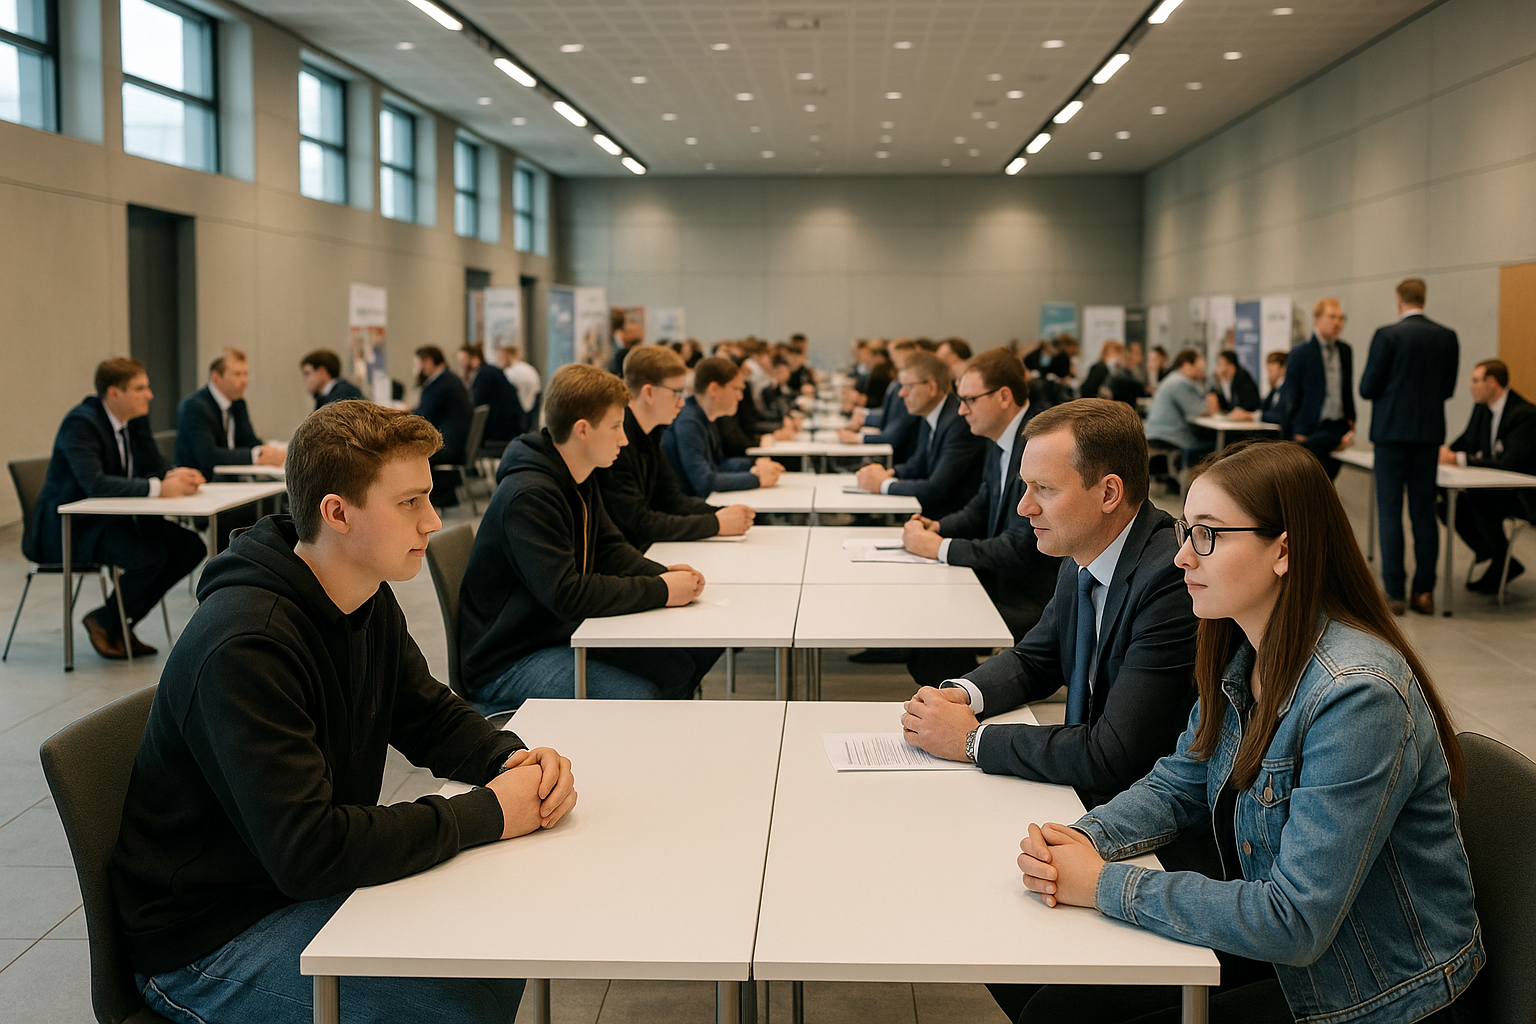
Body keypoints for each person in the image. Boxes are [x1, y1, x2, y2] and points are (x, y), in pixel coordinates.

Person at [109, 400, 575, 1024]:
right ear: (337, 512)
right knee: (457, 1004)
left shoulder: (361, 593)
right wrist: (491, 810)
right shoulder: (247, 645)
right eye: (410, 502)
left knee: (496, 952)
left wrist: (509, 759)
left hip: (291, 885)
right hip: (209, 939)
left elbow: (426, 713)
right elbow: (312, 851)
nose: (433, 521)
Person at [1013, 440, 1481, 1024]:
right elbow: (1179, 783)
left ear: (1283, 551)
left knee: (1059, 1015)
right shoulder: (1242, 651)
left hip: (1370, 993)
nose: (1182, 556)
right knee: (1049, 997)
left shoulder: (1358, 695)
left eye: (1207, 534)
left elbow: (1295, 920)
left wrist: (1105, 883)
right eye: (1185, 530)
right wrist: (1083, 840)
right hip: (1295, 952)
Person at [899, 399, 1200, 811]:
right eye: (1026, 486)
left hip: (1136, 817)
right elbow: (1034, 661)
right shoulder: (1084, 549)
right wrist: (962, 696)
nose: (1025, 506)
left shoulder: (1169, 579)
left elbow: (1113, 754)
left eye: (1045, 489)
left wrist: (971, 741)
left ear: (1109, 492)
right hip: (1079, 795)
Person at [461, 365, 716, 710]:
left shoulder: (578, 473)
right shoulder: (529, 495)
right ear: (582, 430)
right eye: (615, 427)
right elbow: (567, 595)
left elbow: (608, 548)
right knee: (641, 697)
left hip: (556, 634)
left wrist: (660, 573)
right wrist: (662, 590)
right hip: (509, 660)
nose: (623, 439)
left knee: (679, 666)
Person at [901, 349, 1060, 686]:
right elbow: (983, 503)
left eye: (970, 399)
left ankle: (966, 708)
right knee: (922, 620)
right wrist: (939, 527)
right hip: (1003, 576)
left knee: (932, 641)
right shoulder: (1001, 437)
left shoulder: (1038, 444)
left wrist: (940, 548)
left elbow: (1021, 546)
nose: (961, 410)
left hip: (1033, 594)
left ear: (1004, 396)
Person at [34, 358, 206, 660]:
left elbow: (154, 465)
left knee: (189, 546)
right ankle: (107, 622)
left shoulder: (133, 419)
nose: (150, 395)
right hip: (75, 528)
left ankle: (115, 623)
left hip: (116, 518)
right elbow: (95, 484)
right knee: (150, 555)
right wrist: (158, 487)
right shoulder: (81, 423)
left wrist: (175, 474)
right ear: (114, 393)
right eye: (140, 388)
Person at [1359, 278, 1460, 615]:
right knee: (1423, 512)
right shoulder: (1447, 337)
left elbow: (1368, 387)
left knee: (1390, 512)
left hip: (1390, 434)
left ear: (1399, 300)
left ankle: (1395, 593)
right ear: (1424, 298)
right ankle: (1424, 593)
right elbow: (1447, 389)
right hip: (1428, 434)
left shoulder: (1387, 335)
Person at [599, 345, 755, 548]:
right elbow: (637, 523)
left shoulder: (653, 433)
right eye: (676, 393)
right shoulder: (619, 441)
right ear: (649, 392)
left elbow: (671, 500)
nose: (681, 403)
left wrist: (721, 512)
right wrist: (715, 523)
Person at [1440, 358, 1536, 592]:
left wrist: (1461, 459)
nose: (1471, 386)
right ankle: (1497, 556)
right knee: (1446, 504)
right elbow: (1466, 441)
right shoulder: (1482, 409)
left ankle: (1500, 560)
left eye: (1475, 381)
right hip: (1494, 490)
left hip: (1524, 495)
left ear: (1492, 382)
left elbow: (1511, 463)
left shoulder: (1525, 414)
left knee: (1480, 501)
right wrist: (1446, 451)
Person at [853, 351, 985, 519]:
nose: (901, 394)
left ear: (931, 388)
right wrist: (888, 473)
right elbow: (917, 464)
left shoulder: (958, 422)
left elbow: (936, 489)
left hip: (948, 520)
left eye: (907, 386)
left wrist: (883, 484)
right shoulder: (930, 414)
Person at [662, 356, 785, 497]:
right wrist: (757, 479)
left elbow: (718, 464)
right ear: (714, 389)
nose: (740, 397)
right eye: (736, 389)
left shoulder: (704, 416)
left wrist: (755, 465)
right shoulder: (688, 422)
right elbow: (704, 482)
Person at [175, 348, 286, 479]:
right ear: (216, 377)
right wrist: (255, 456)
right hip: (203, 481)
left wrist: (269, 452)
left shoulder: (238, 403)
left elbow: (251, 441)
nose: (244, 380)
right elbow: (208, 455)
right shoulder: (194, 407)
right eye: (237, 374)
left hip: (233, 480)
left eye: (246, 374)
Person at [1280, 297, 1355, 480]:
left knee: (1326, 483)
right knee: (1308, 483)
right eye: (1332, 317)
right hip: (1309, 428)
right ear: (1316, 319)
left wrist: (1352, 419)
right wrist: (1294, 430)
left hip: (1337, 425)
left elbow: (1347, 387)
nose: (1337, 323)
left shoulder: (1345, 351)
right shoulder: (1301, 353)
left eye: (1340, 318)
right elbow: (1291, 394)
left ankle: (1333, 441)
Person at [839, 338, 920, 462]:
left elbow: (894, 432)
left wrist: (859, 437)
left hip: (900, 458)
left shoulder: (908, 388)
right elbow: (889, 416)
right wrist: (864, 416)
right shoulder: (897, 382)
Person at [412, 345, 474, 507]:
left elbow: (422, 417)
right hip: (457, 441)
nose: (419, 367)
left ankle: (421, 500)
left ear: (429, 361)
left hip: (449, 446)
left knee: (408, 450)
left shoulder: (441, 385)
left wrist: (403, 412)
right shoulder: (449, 379)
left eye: (420, 362)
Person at [1143, 348, 1216, 468]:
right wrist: (1212, 400)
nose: (1201, 374)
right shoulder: (1180, 382)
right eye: (1199, 369)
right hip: (1169, 435)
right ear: (1187, 365)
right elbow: (1200, 410)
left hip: (1156, 433)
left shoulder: (1172, 378)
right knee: (1215, 446)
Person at [458, 343, 523, 445]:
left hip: (502, 431)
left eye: (463, 361)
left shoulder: (484, 375)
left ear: (474, 359)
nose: (462, 365)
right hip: (510, 426)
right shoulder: (489, 371)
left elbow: (475, 404)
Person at [300, 349, 366, 409]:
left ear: (322, 372)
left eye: (307, 373)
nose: (304, 379)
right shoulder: (326, 397)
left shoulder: (343, 396)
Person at [1206, 349, 1261, 419]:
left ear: (1231, 366)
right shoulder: (1225, 381)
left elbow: (1247, 405)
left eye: (1220, 364)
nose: (1217, 368)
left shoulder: (1242, 377)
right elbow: (1224, 404)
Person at [496, 343, 542, 424]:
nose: (499, 362)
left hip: (521, 412)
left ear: (508, 356)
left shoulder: (511, 372)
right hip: (532, 409)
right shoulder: (528, 368)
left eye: (501, 358)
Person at [1259, 351, 1287, 424]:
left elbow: (1279, 416)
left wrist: (1255, 416)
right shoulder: (1275, 389)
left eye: (1272, 370)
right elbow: (1263, 408)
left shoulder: (1287, 390)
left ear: (1283, 368)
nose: (1269, 373)